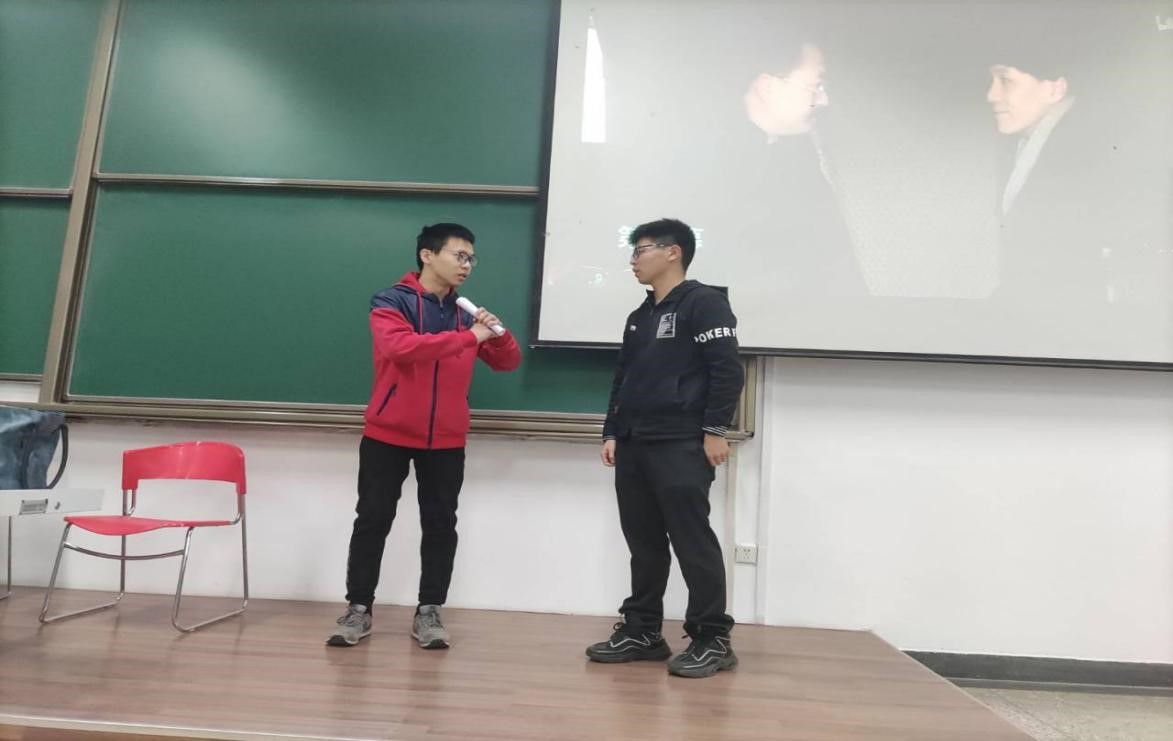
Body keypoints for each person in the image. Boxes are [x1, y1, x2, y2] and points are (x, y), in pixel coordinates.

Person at [327, 223, 521, 649]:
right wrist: (468, 337)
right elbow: (401, 348)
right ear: (427, 255)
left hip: (446, 439)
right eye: (459, 255)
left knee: (440, 524)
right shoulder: (390, 301)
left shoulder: (465, 312)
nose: (467, 265)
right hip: (387, 434)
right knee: (372, 520)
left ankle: (429, 611)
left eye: (471, 258)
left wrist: (496, 333)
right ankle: (358, 608)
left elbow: (508, 362)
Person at [585, 218, 745, 678]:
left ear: (673, 252)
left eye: (640, 250)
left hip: (681, 442)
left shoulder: (704, 303)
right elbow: (624, 377)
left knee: (692, 541)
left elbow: (727, 370)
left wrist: (715, 430)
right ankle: (642, 631)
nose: (633, 260)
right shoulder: (640, 315)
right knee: (644, 543)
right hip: (635, 442)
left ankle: (712, 637)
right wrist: (612, 431)